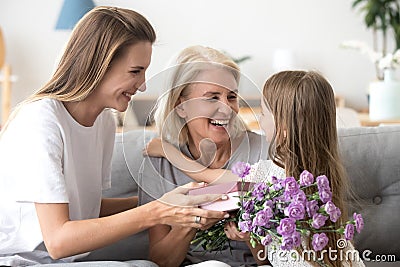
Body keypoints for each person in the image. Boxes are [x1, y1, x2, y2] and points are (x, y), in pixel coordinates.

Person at [0, 7, 229, 267]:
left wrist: (168, 200)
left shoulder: (103, 122)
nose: (142, 84)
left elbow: (86, 209)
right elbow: (58, 241)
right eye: (135, 71)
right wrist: (157, 211)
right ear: (98, 64)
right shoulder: (41, 120)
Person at [146, 70, 366, 267]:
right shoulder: (323, 179)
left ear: (283, 128)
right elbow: (268, 257)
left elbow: (210, 179)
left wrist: (169, 153)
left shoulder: (269, 176)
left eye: (263, 114)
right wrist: (249, 237)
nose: (259, 121)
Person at [138, 45, 269, 267]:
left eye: (231, 97)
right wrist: (189, 223)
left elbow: (282, 257)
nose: (226, 109)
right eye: (212, 98)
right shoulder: (157, 165)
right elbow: (160, 261)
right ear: (181, 106)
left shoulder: (264, 151)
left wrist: (253, 239)